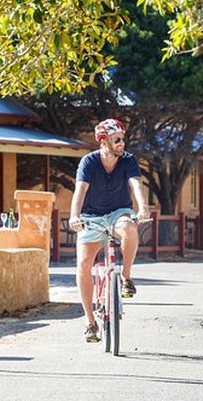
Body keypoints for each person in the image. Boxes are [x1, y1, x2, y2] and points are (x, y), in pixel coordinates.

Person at [69, 118, 150, 343]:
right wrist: (75, 216)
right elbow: (80, 191)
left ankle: (126, 277)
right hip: (91, 217)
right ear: (103, 141)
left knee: (130, 227)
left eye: (122, 139)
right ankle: (89, 322)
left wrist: (143, 208)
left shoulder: (128, 160)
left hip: (118, 213)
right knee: (84, 264)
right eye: (116, 140)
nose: (121, 143)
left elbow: (136, 185)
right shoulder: (89, 162)